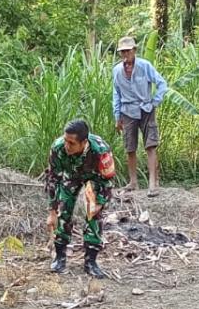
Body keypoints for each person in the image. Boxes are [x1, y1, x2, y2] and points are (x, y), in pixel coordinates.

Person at [46, 118, 116, 278]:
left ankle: (91, 262)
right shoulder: (58, 148)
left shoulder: (100, 150)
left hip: (94, 179)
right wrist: (51, 210)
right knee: (62, 211)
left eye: (71, 143)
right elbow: (53, 179)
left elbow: (107, 178)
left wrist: (101, 202)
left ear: (84, 142)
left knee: (93, 214)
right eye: (65, 141)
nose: (67, 146)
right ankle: (60, 257)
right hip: (71, 176)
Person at [112, 36, 166, 195]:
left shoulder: (144, 66)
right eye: (123, 51)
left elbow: (162, 83)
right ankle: (133, 182)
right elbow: (116, 93)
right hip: (127, 111)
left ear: (134, 50)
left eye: (128, 50)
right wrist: (117, 115)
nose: (125, 54)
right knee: (130, 146)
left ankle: (152, 183)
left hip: (146, 108)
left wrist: (154, 102)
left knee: (150, 145)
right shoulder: (116, 70)